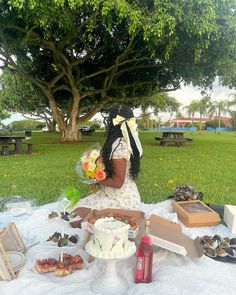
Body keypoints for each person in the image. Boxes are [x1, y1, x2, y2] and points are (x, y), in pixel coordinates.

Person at [77, 104, 143, 210]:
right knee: (77, 209)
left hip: (122, 201)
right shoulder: (128, 141)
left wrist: (96, 180)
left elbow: (117, 183)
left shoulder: (119, 147)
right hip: (117, 194)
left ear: (111, 123)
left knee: (78, 214)